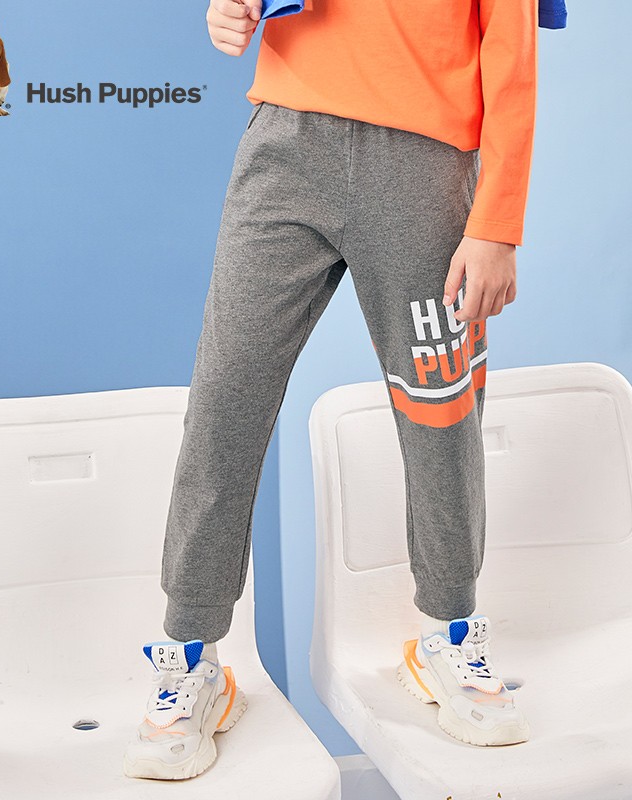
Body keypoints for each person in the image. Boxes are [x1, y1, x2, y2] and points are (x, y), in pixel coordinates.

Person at [124, 0, 540, 780]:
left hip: (424, 164)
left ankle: (450, 634)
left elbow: (511, 52)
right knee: (224, 405)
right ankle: (190, 655)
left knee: (440, 408)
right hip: (286, 143)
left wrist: (497, 225)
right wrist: (230, 7)